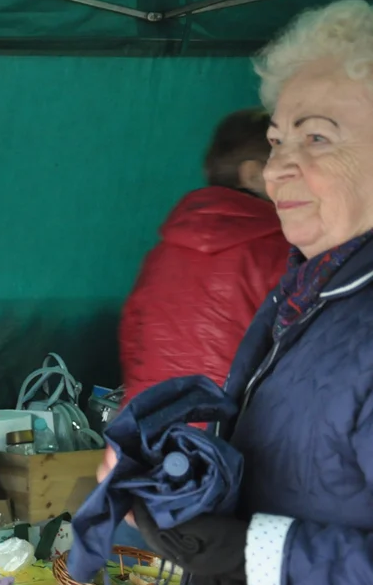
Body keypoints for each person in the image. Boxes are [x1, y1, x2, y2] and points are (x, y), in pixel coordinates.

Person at [108, 0, 373, 585]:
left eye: (316, 139)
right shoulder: (306, 292)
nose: (281, 168)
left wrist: (254, 554)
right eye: (278, 140)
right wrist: (185, 492)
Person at [119, 109, 288, 405]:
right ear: (252, 173)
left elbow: (133, 344)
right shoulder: (282, 250)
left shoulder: (161, 255)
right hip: (239, 434)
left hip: (155, 429)